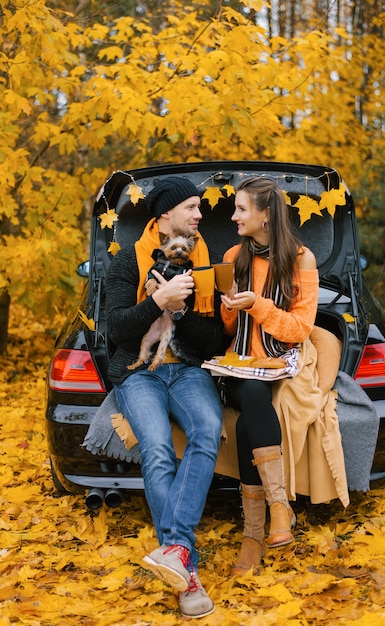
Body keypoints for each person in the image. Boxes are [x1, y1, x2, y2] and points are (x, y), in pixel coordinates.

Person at [106, 176, 224, 618]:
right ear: (165, 218)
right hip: (140, 373)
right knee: (156, 449)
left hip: (189, 371)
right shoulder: (125, 261)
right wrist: (156, 301)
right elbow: (115, 330)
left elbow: (212, 341)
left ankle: (172, 549)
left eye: (198, 209)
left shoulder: (204, 262)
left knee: (208, 430)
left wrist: (182, 309)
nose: (199, 215)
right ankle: (188, 572)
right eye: (192, 207)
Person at [220, 176, 319, 576]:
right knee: (254, 396)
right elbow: (229, 331)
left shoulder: (301, 260)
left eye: (241, 209)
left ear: (265, 215)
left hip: (278, 365)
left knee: (250, 420)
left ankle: (252, 535)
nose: (233, 216)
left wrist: (258, 305)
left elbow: (300, 330)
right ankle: (280, 507)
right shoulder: (233, 255)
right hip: (239, 366)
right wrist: (229, 307)